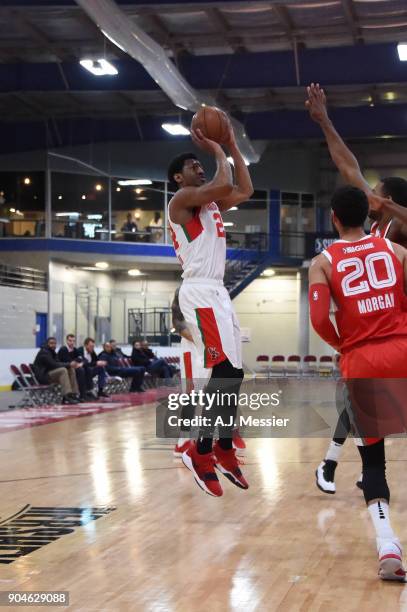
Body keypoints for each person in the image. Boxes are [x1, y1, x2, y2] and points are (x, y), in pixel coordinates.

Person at [306, 82, 407, 492]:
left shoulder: (396, 228)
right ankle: (332, 465)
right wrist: (325, 121)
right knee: (354, 396)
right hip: (372, 336)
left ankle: (333, 465)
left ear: (388, 199)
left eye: (377, 192)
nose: (370, 193)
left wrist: (393, 207)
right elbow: (348, 167)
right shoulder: (373, 230)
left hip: (392, 330)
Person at [309, 185, 407, 581]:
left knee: (373, 462)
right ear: (368, 215)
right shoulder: (398, 252)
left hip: (362, 360)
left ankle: (388, 545)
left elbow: (318, 320)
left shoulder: (323, 262)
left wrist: (343, 344)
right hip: (403, 350)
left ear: (334, 218)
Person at [167, 117, 253, 497]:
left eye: (200, 164)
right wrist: (217, 148)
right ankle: (200, 450)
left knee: (233, 374)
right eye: (192, 166)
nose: (199, 167)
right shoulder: (181, 201)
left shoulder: (211, 201)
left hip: (218, 292)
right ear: (177, 179)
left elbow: (244, 188)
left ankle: (220, 445)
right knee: (221, 371)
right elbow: (223, 183)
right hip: (199, 291)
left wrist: (232, 144)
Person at [171, 286, 246, 457]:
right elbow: (178, 324)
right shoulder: (185, 289)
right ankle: (183, 440)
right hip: (193, 349)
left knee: (224, 388)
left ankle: (228, 434)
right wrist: (202, 340)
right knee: (191, 394)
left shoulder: (218, 291)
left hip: (214, 346)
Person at [33, 337, 83, 405]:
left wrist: (70, 365)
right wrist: (69, 364)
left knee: (70, 369)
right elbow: (53, 365)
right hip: (43, 377)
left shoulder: (52, 352)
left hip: (50, 374)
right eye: (51, 343)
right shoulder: (44, 353)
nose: (53, 345)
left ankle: (73, 394)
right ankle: (67, 395)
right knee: (63, 370)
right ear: (47, 344)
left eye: (55, 343)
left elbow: (58, 362)